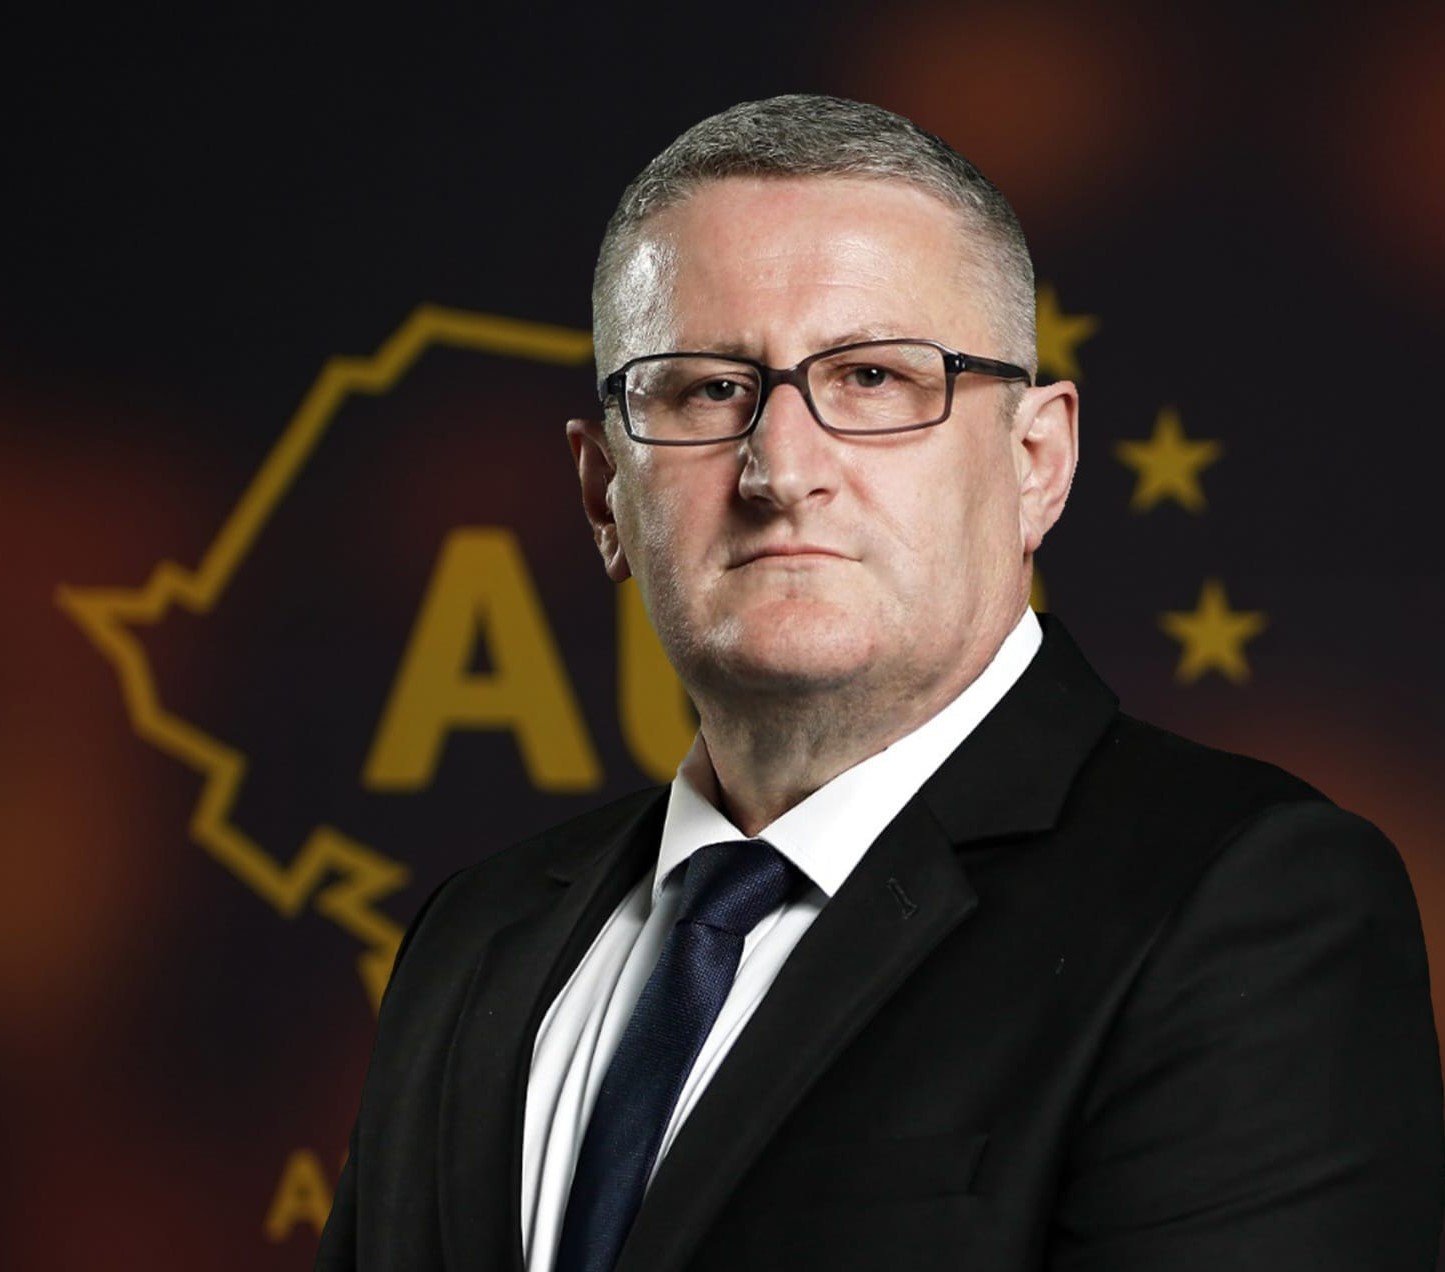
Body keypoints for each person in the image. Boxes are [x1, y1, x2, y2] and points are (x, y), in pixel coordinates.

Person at [316, 95, 1443, 1271]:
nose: (780, 469)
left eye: (871, 378)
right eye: (705, 389)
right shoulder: (473, 939)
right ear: (604, 491)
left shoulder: (1240, 904)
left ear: (1036, 461)